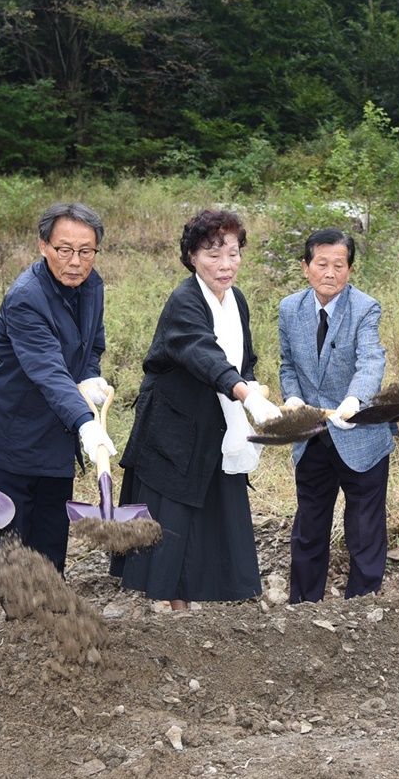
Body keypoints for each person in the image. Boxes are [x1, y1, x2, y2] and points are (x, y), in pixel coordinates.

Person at [111, 209, 281, 610]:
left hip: (218, 422)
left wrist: (251, 384)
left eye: (234, 253)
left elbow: (244, 358)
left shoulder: (236, 300)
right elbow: (201, 352)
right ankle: (177, 609)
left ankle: (204, 600)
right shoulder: (184, 300)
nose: (226, 265)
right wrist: (246, 394)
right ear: (190, 256)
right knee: (175, 517)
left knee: (214, 511)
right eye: (212, 254)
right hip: (174, 426)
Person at [0, 202, 116, 577]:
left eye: (86, 251)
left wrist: (89, 377)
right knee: (15, 550)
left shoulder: (92, 287)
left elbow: (91, 346)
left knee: (51, 543)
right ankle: (21, 628)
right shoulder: (26, 297)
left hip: (56, 435)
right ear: (43, 246)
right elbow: (47, 370)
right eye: (64, 250)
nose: (75, 261)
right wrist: (87, 423)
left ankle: (53, 622)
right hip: (11, 438)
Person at [278, 229, 396, 603]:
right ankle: (303, 606)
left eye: (339, 265)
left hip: (359, 435)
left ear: (350, 269)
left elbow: (371, 359)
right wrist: (293, 397)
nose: (330, 273)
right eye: (321, 264)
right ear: (305, 267)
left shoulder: (365, 308)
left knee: (364, 527)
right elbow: (287, 365)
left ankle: (362, 606)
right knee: (310, 525)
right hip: (312, 435)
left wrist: (354, 400)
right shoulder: (289, 309)